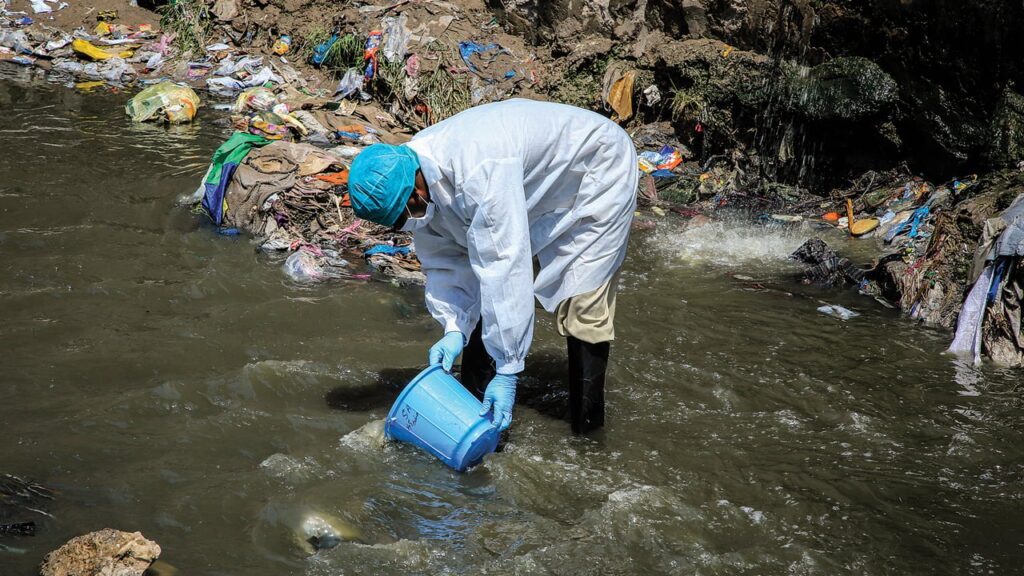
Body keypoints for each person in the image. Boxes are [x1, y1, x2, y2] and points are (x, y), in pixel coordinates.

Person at [348, 98, 637, 435]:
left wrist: (509, 370)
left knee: (583, 307)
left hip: (594, 171)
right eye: (399, 222)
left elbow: (504, 264)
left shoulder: (476, 170)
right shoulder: (418, 183)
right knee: (485, 292)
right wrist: (454, 327)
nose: (410, 220)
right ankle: (479, 418)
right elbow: (446, 263)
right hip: (531, 184)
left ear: (415, 183)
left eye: (408, 208)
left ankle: (587, 432)